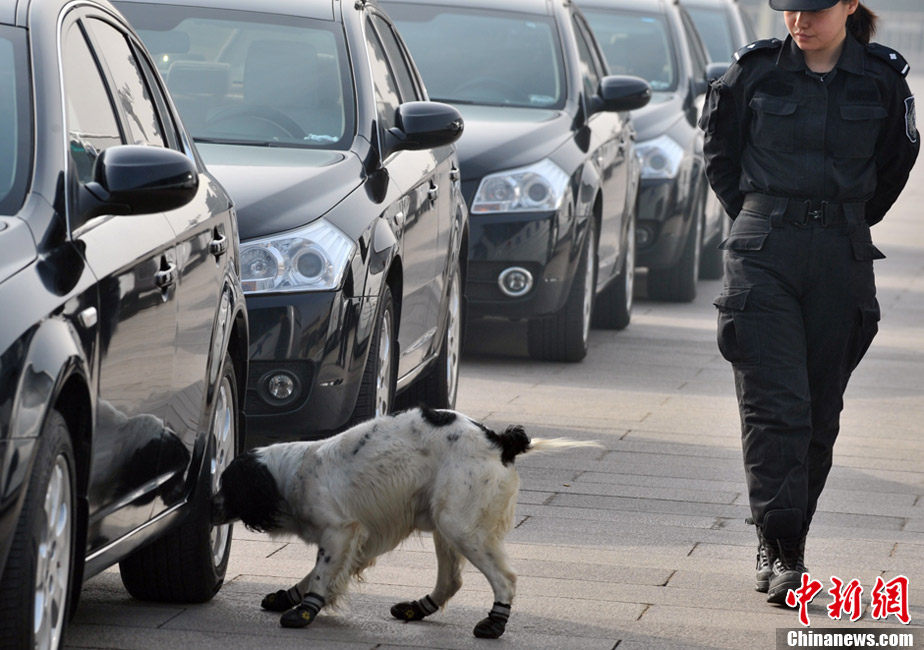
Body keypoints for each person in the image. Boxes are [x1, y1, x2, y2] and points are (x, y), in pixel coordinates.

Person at [698, 0, 919, 605]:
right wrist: (759, 219)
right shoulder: (754, 73)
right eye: (790, 8)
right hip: (763, 252)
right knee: (777, 408)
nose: (800, 20)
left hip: (841, 257)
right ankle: (781, 543)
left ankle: (789, 535)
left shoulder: (881, 79)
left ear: (849, 5)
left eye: (815, 8)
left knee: (820, 411)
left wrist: (843, 220)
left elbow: (895, 165)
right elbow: (720, 155)